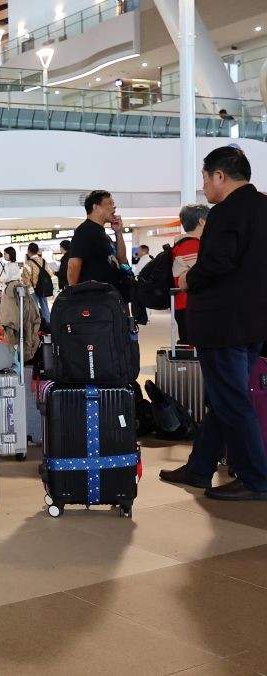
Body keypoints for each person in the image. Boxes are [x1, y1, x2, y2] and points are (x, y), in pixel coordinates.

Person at [159, 146, 267, 500]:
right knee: (223, 397)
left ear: (220, 175)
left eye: (205, 178)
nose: (204, 186)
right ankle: (200, 467)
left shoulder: (225, 213)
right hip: (253, 321)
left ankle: (256, 479)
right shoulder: (264, 206)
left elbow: (218, 263)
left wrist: (190, 279)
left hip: (223, 323)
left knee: (232, 399)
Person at [67, 190, 129, 289]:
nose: (114, 207)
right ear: (95, 207)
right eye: (109, 203)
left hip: (111, 297)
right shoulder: (84, 231)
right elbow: (73, 267)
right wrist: (74, 296)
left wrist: (118, 232)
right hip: (95, 300)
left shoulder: (103, 234)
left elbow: (122, 260)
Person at [171, 204, 207, 345]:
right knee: (194, 348)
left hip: (184, 303)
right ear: (201, 221)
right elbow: (203, 274)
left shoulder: (183, 243)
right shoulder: (191, 245)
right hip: (189, 304)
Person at [22, 242, 56, 321]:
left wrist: (30, 290)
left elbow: (26, 278)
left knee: (33, 309)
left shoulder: (28, 263)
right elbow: (50, 274)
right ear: (37, 251)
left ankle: (36, 327)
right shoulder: (43, 261)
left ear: (28, 251)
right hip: (43, 288)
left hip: (33, 289)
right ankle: (48, 325)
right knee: (45, 307)